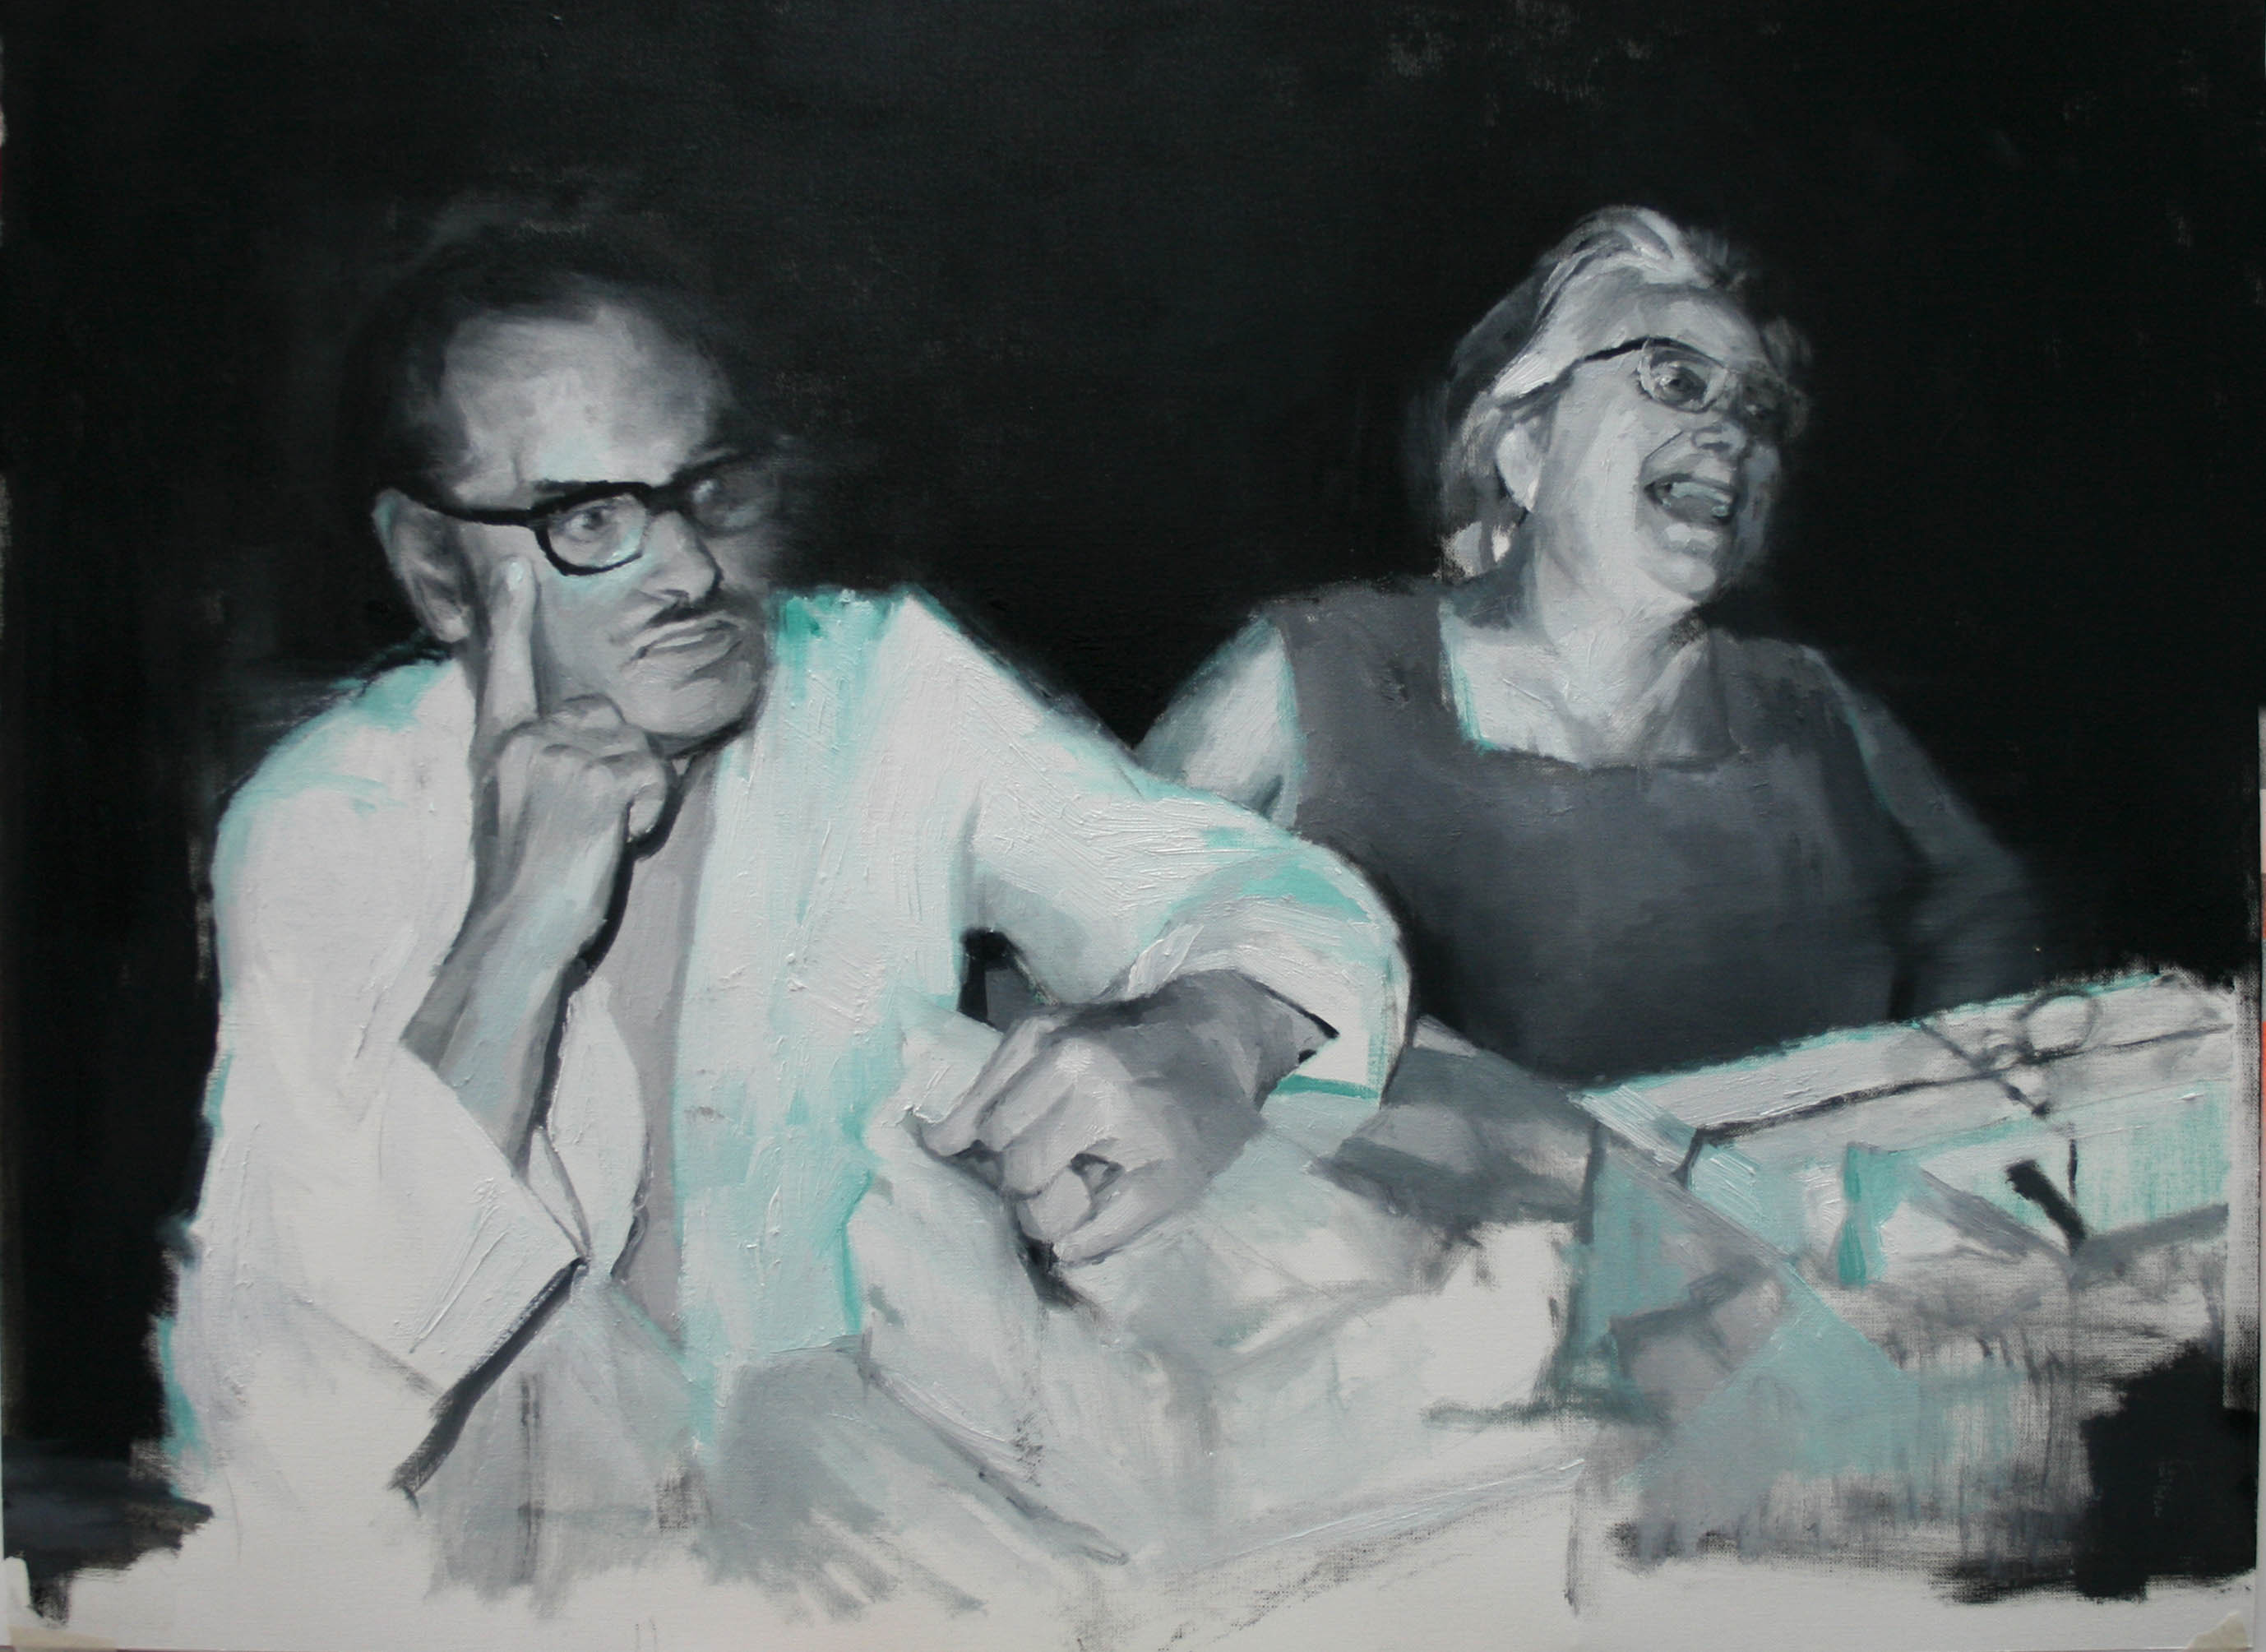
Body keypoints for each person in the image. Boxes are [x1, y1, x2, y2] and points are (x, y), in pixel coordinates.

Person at [159, 228, 1407, 1601]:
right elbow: (291, 1408)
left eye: (711, 489)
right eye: (591, 519)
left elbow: (1279, 900)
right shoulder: (331, 817)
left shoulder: (885, 687)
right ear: (440, 569)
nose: (691, 570)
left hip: (903, 1557)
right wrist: (518, 922)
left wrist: (1213, 1032)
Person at [1142, 206, 2042, 1219]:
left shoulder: (1810, 706)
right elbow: (1092, 929)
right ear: (1523, 445)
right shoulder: (1316, 673)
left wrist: (1925, 1122)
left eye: (1758, 409)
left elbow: (1984, 914)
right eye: (1674, 380)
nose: (1732, 433)